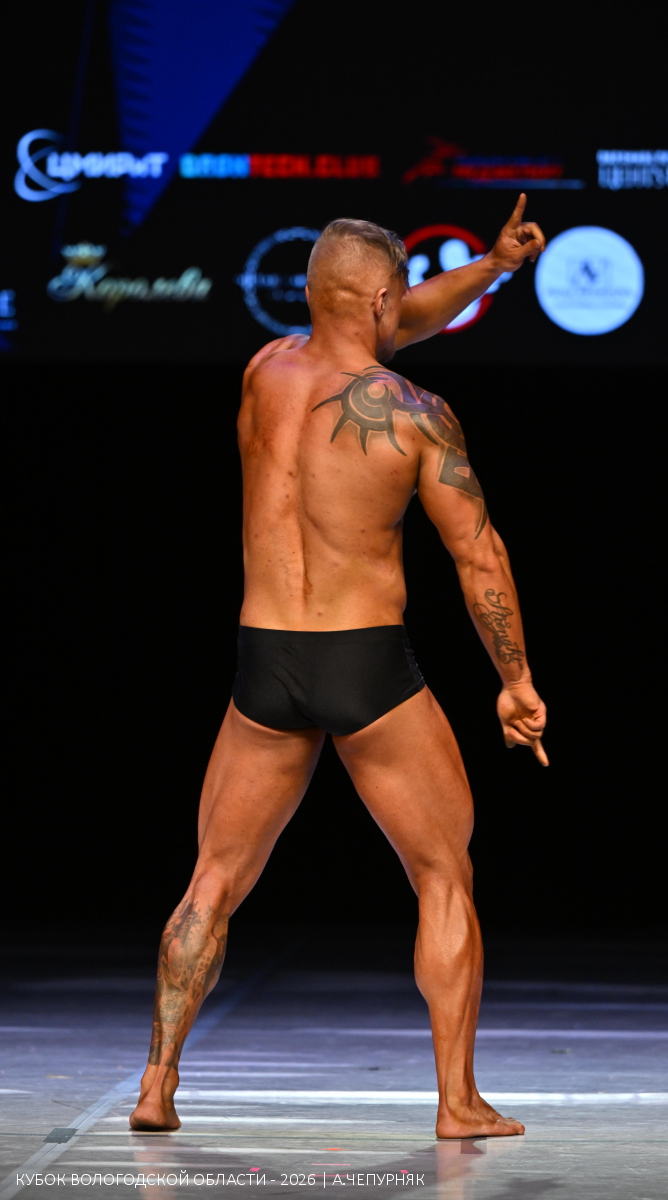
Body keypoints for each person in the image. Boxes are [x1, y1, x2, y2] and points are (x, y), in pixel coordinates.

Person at [131, 196, 548, 1139]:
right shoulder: (419, 416)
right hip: (366, 664)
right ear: (384, 301)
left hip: (266, 659)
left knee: (212, 881)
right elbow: (480, 557)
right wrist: (515, 680)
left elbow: (385, 317)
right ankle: (457, 1102)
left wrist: (492, 267)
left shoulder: (263, 372)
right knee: (443, 874)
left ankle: (156, 1085)